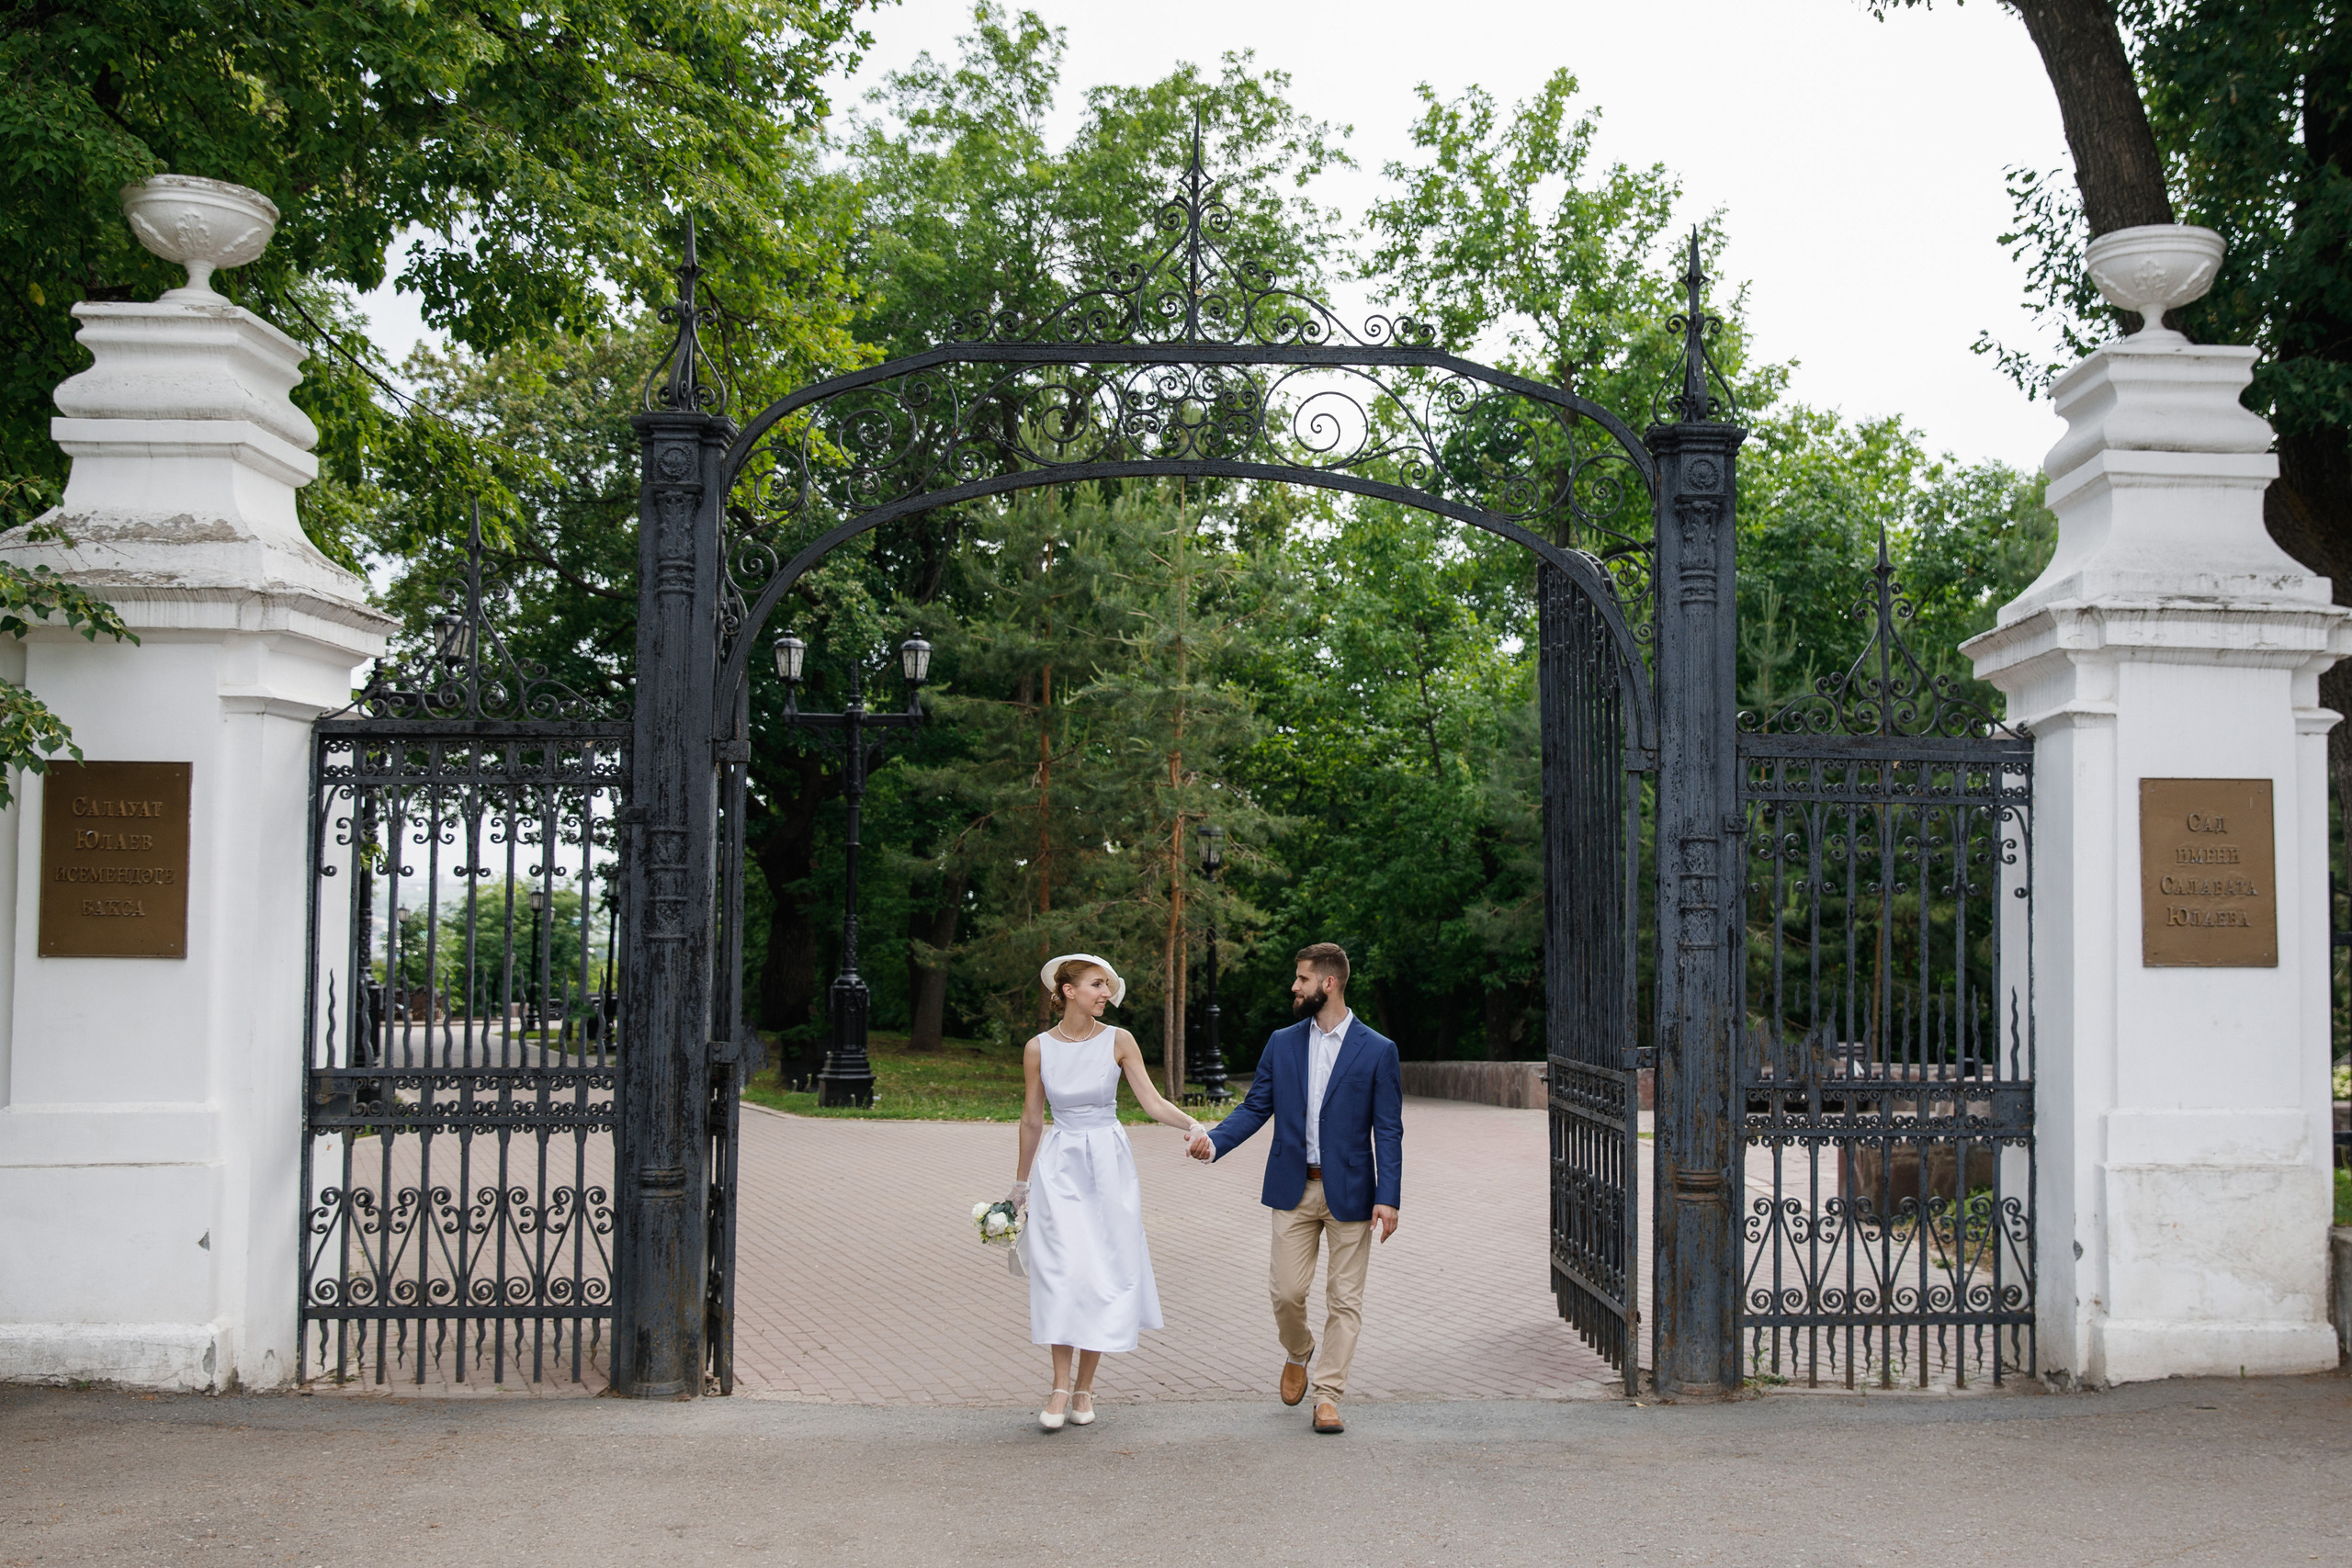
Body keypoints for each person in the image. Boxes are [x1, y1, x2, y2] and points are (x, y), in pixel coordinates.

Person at [1189, 942, 1401, 1434]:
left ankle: (1327, 1395)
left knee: (1345, 1300)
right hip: (1294, 1187)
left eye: (1301, 979)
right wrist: (1214, 1142)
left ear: (1327, 984)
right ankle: (1299, 1350)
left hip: (1352, 1192)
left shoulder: (1378, 1050)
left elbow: (1388, 1129)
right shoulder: (1282, 1043)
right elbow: (1254, 1107)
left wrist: (1388, 1195)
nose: (1294, 986)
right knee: (1285, 1293)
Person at [1010, 952, 1212, 1431]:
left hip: (1108, 1161)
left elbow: (1151, 1100)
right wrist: (1020, 1184)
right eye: (1099, 985)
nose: (1107, 994)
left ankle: (1085, 1387)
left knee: (1101, 1270)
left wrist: (1192, 1123)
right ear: (1068, 991)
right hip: (1059, 1166)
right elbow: (1032, 1118)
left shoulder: (1119, 1041)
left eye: (1108, 986)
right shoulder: (1038, 1048)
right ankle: (1059, 1387)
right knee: (1061, 1270)